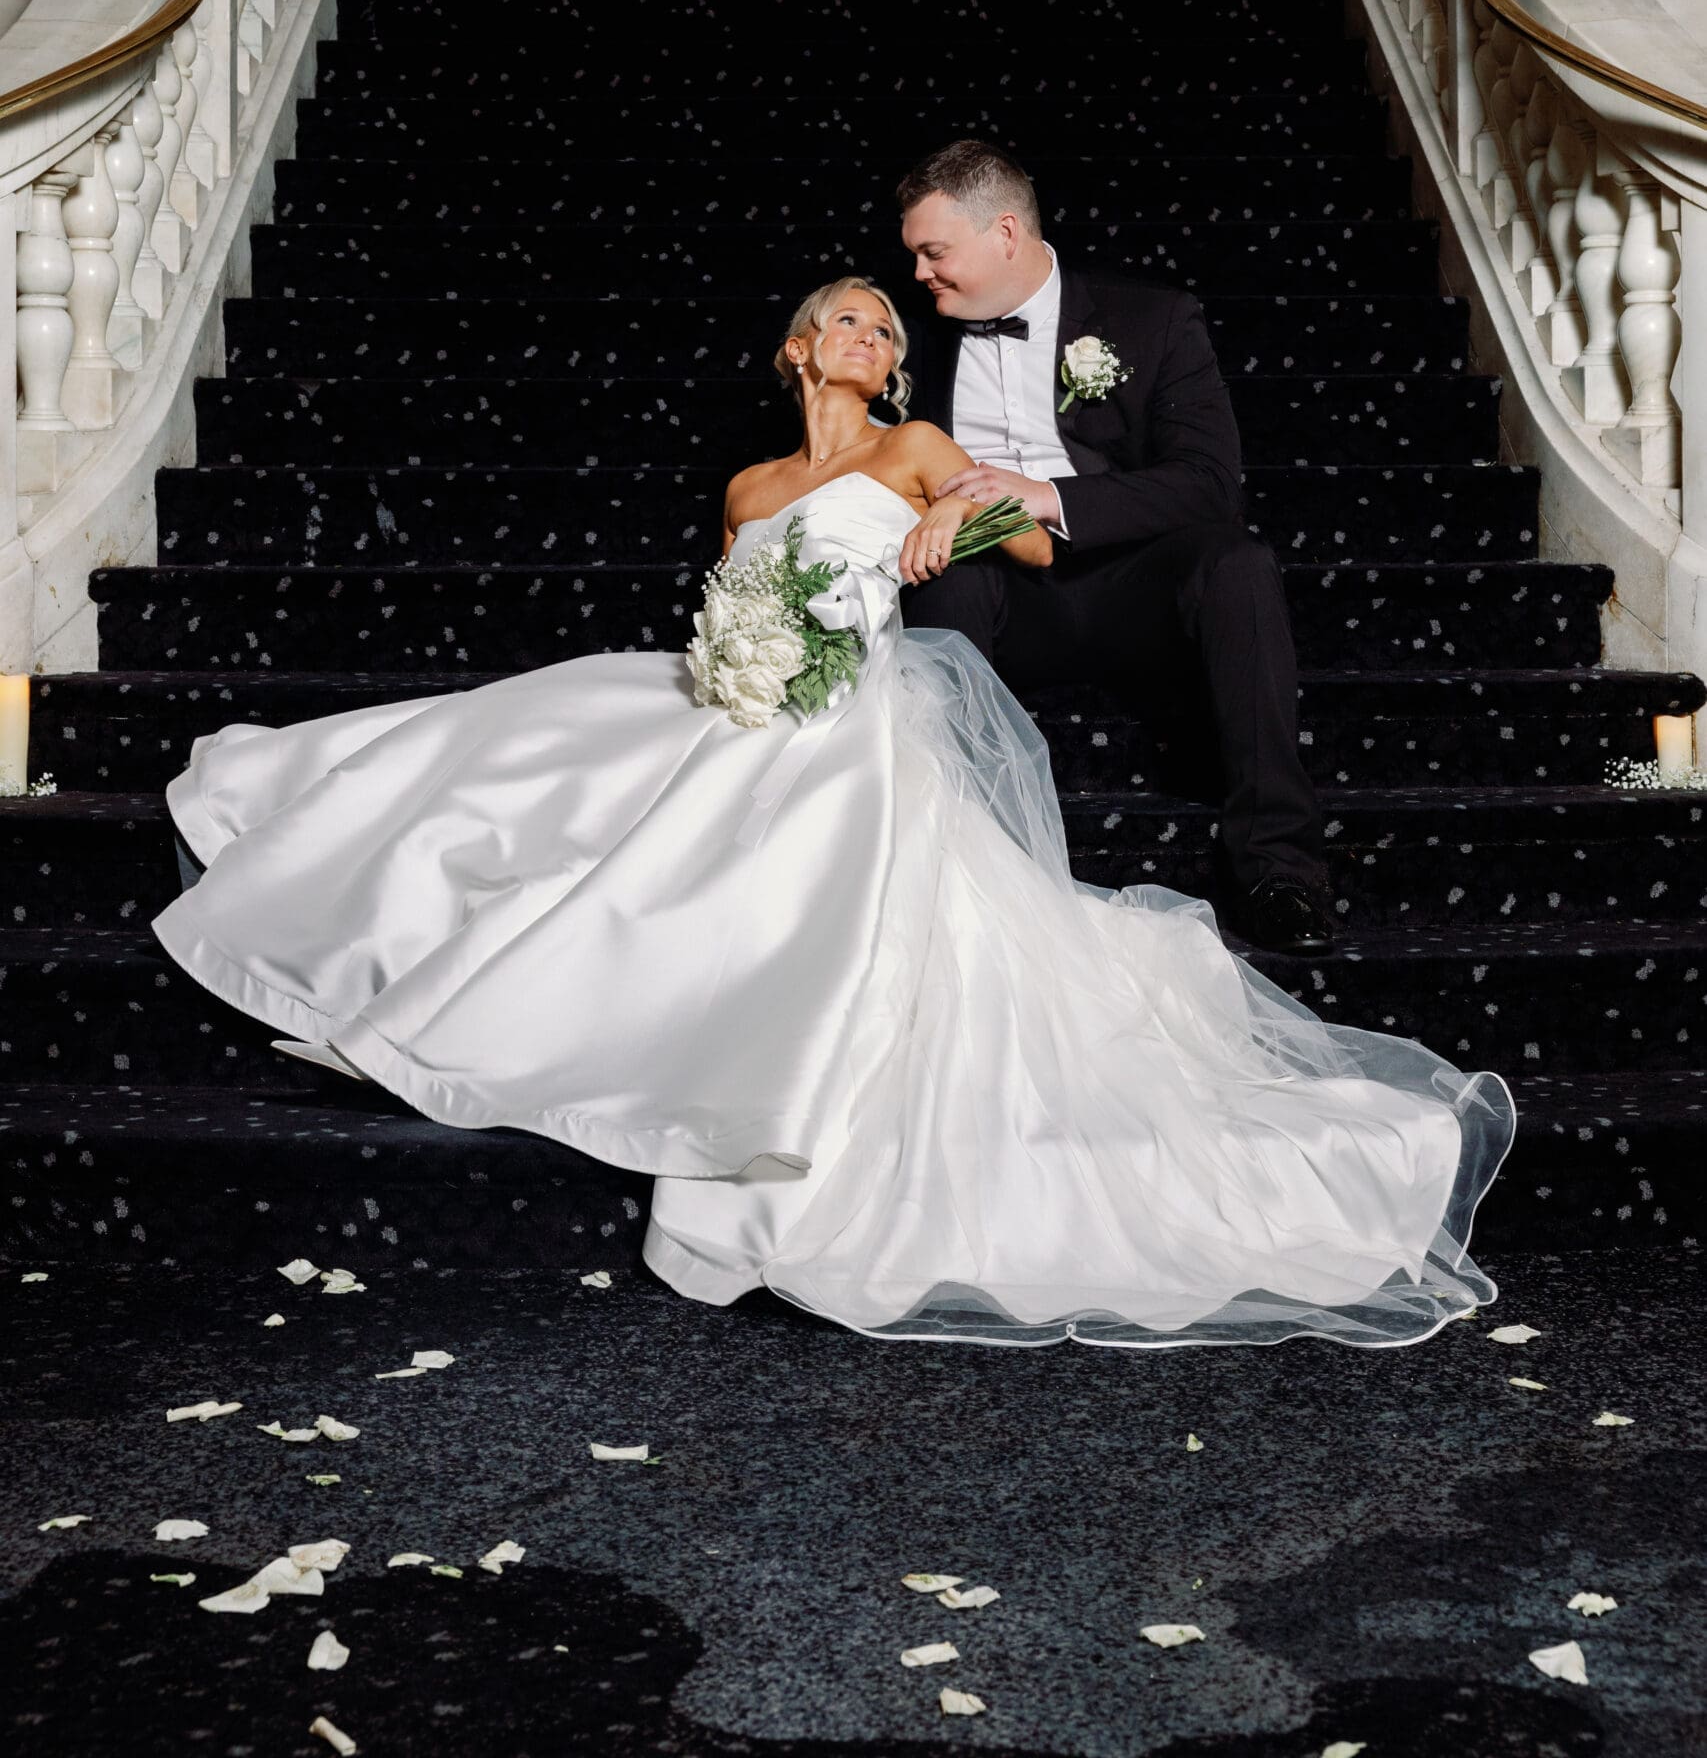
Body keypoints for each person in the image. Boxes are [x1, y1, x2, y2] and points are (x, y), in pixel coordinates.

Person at [152, 274, 1514, 1350]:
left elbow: (1037, 542)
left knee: (789, 818)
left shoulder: (920, 445)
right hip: (736, 691)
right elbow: (733, 600)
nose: (870, 328)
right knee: (517, 752)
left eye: (884, 319)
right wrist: (732, 657)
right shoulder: (747, 489)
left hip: (850, 702)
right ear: (801, 349)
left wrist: (954, 523)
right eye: (845, 315)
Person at [895, 138, 1335, 958]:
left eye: (934, 252)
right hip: (991, 583)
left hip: (1127, 582)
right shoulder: (909, 339)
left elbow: (1207, 483)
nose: (920, 273)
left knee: (1236, 563)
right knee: (942, 580)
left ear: (1003, 234)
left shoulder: (1152, 319)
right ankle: (956, 873)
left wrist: (1049, 496)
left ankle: (1282, 872)